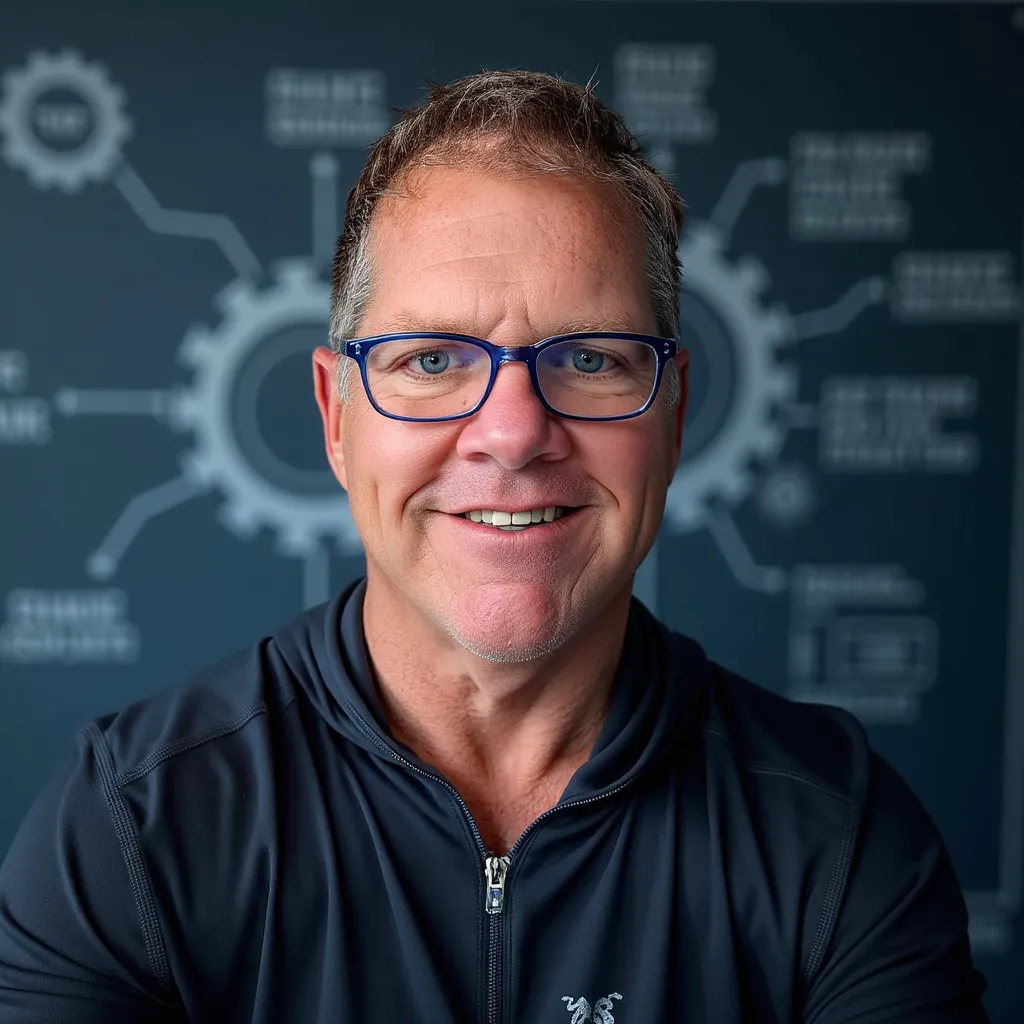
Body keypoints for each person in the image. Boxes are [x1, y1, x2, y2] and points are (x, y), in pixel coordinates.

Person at [0, 70, 988, 1024]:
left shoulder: (837, 834)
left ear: (674, 416)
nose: (512, 432)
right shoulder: (135, 820)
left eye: (590, 358)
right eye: (430, 360)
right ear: (335, 417)